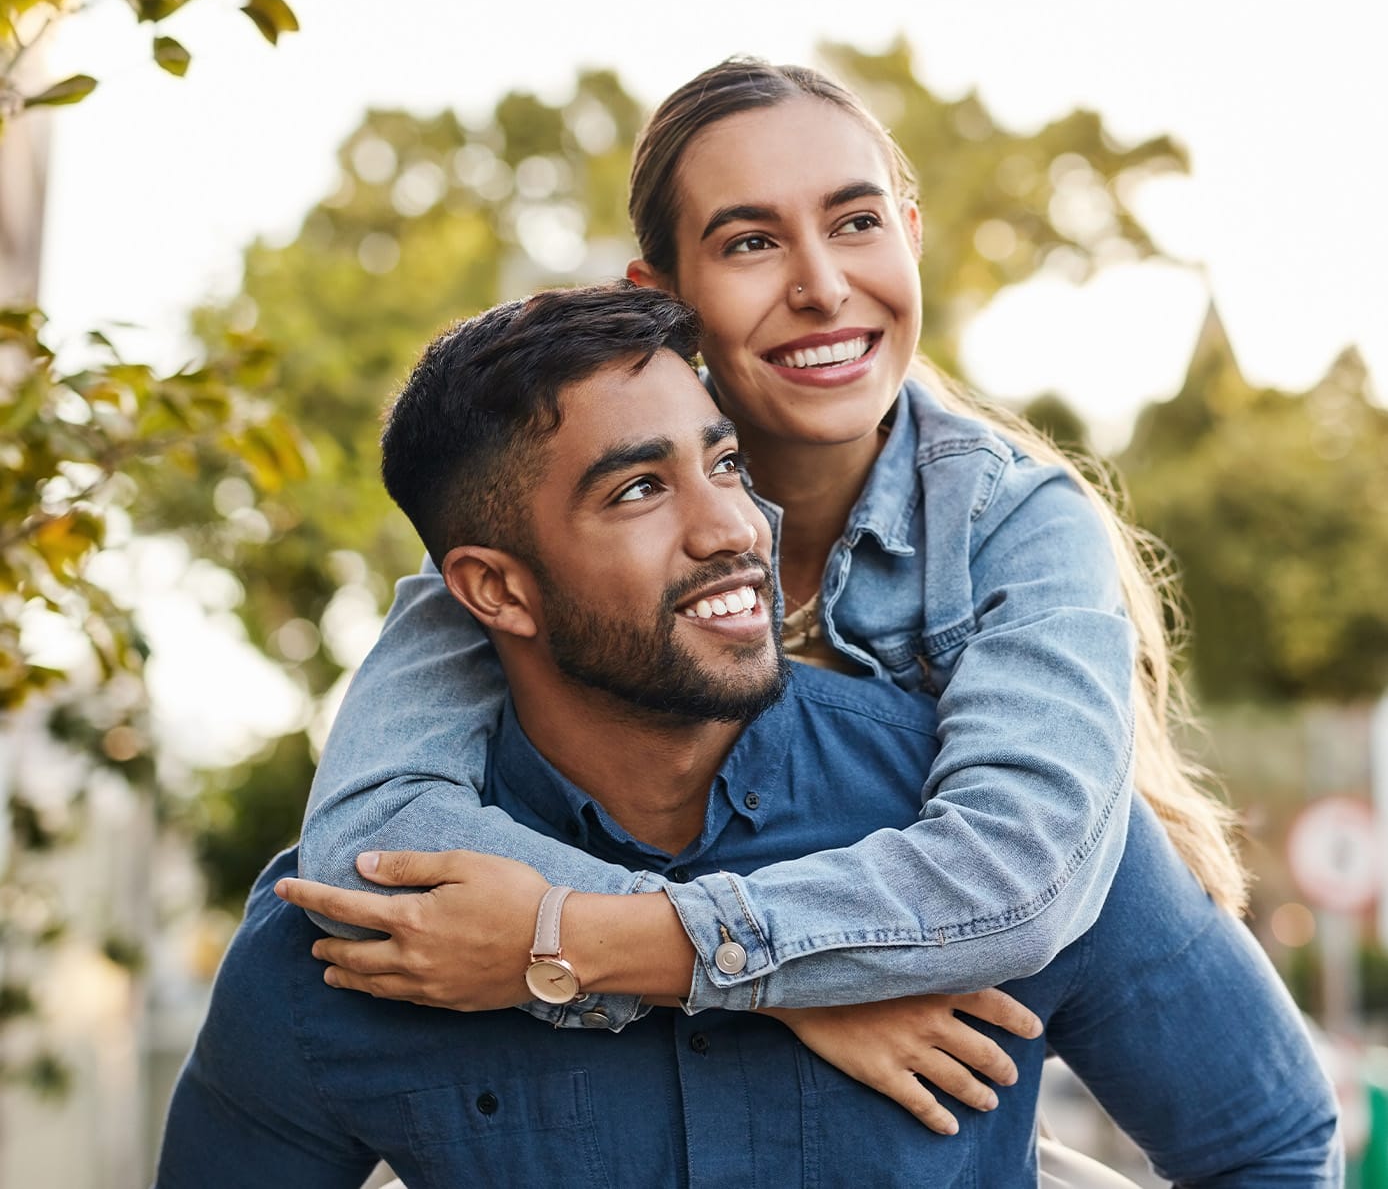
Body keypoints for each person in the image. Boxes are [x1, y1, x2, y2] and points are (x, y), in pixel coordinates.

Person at [159, 286, 1338, 1186]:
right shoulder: (357, 942)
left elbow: (1272, 1145)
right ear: (495, 591)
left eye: (723, 460)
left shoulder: (989, 815)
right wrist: (783, 987)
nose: (730, 525)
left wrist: (583, 940)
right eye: (636, 489)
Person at [294, 58, 1244, 1038]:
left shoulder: (1013, 525)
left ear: (910, 236)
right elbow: (363, 852)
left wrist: (593, 942)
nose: (823, 286)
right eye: (749, 241)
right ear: (662, 292)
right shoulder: (549, 519)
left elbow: (1013, 876)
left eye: (856, 222)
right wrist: (785, 991)